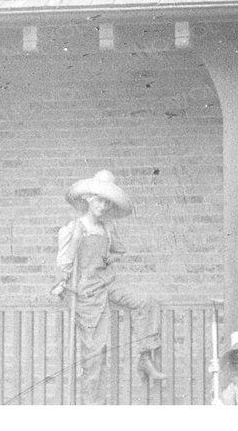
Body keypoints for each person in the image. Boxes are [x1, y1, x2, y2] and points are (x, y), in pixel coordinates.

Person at [52, 169, 163, 401]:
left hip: (108, 285)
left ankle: (145, 356)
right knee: (95, 355)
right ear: (88, 199)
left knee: (145, 301)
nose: (103, 207)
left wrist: (103, 261)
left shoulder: (108, 229)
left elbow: (116, 254)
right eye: (99, 201)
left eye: (107, 203)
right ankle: (93, 407)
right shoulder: (73, 228)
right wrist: (63, 278)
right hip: (86, 293)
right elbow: (64, 264)